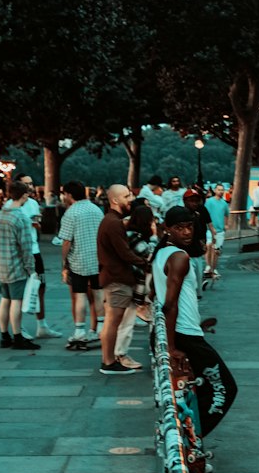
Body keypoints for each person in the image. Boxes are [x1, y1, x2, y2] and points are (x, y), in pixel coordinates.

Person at [154, 206, 238, 442]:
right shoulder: (178, 257)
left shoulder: (161, 253)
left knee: (198, 391)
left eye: (189, 226)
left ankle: (188, 443)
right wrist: (171, 348)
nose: (186, 232)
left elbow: (158, 295)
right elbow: (169, 305)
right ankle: (190, 441)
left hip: (186, 330)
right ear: (167, 229)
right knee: (225, 389)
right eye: (179, 228)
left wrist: (196, 324)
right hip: (184, 335)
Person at [96, 184, 148, 374]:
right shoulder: (113, 222)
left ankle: (108, 360)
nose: (131, 199)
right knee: (113, 322)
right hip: (117, 279)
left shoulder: (111, 220)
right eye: (127, 196)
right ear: (115, 200)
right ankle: (109, 362)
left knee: (112, 322)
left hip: (113, 277)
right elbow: (125, 253)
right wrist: (145, 262)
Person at [0, 179, 39, 350]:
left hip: (0, 263)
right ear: (24, 195)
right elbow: (26, 247)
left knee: (5, 299)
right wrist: (31, 268)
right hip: (16, 265)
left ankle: (4, 335)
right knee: (16, 301)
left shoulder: (0, 214)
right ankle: (18, 336)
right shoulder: (21, 218)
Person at [59, 180, 105, 350]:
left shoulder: (71, 213)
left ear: (69, 195)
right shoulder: (96, 209)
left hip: (78, 260)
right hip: (98, 259)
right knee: (98, 293)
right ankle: (100, 327)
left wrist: (64, 263)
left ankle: (79, 330)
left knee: (79, 295)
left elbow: (66, 242)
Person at [18, 175, 62, 339]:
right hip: (20, 252)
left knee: (40, 287)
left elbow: (37, 226)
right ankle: (18, 327)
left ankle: (41, 325)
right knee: (19, 290)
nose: (29, 186)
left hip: (35, 250)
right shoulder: (11, 205)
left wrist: (36, 224)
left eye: (31, 183)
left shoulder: (33, 203)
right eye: (25, 183)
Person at [204, 183, 229, 279]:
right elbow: (205, 214)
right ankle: (208, 266)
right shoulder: (209, 202)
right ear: (215, 190)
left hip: (220, 230)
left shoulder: (224, 203)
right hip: (209, 229)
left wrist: (226, 225)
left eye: (222, 190)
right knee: (208, 246)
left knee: (217, 250)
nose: (221, 191)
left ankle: (214, 268)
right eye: (219, 189)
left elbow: (226, 214)